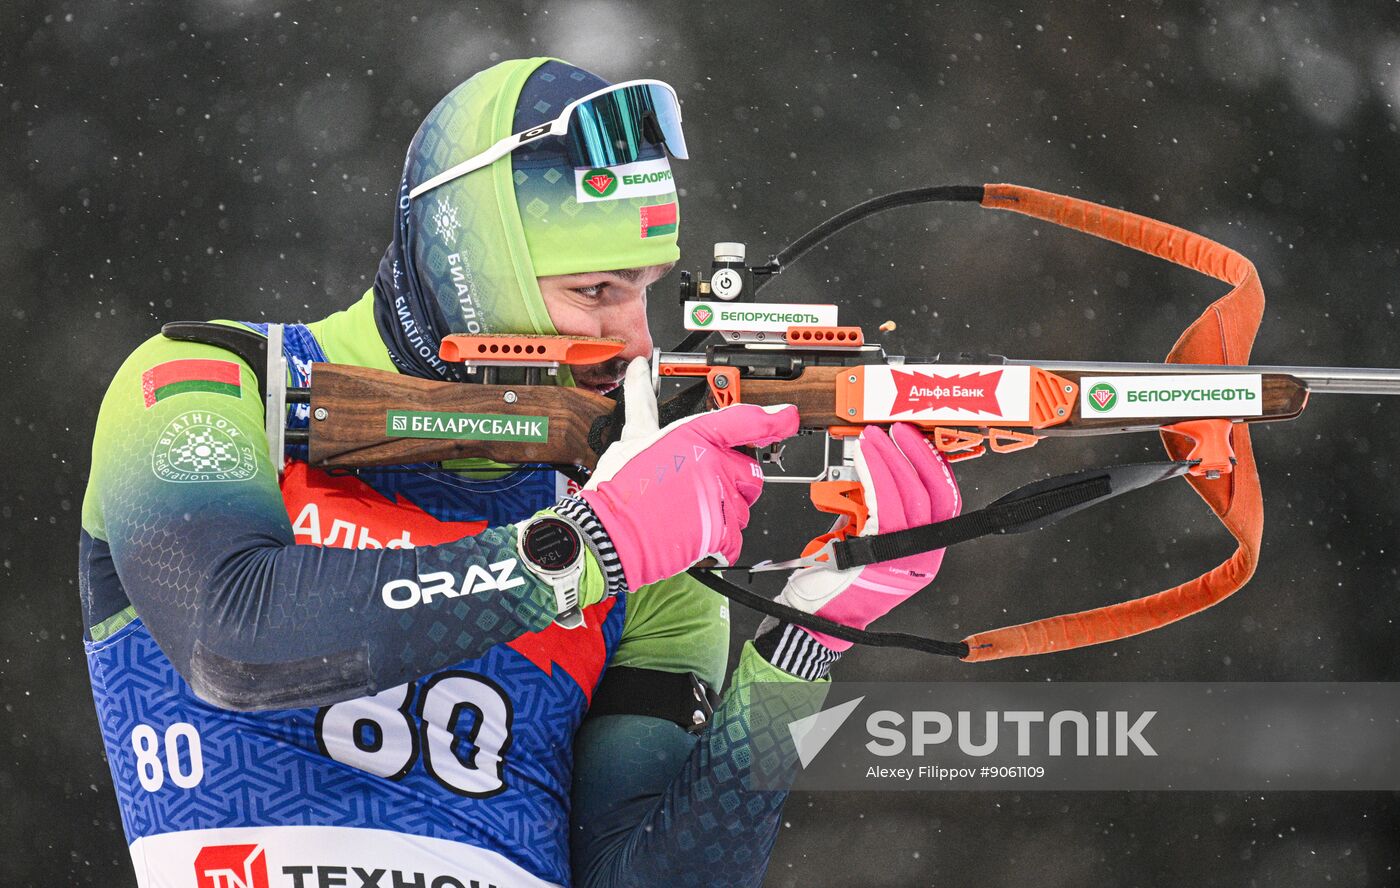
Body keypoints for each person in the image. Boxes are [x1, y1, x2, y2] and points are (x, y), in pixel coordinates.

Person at [79, 57, 960, 887]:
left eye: (645, 289)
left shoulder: (640, 515)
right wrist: (586, 552)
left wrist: (804, 645)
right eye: (596, 292)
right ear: (474, 273)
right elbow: (231, 640)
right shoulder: (213, 384)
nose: (639, 341)